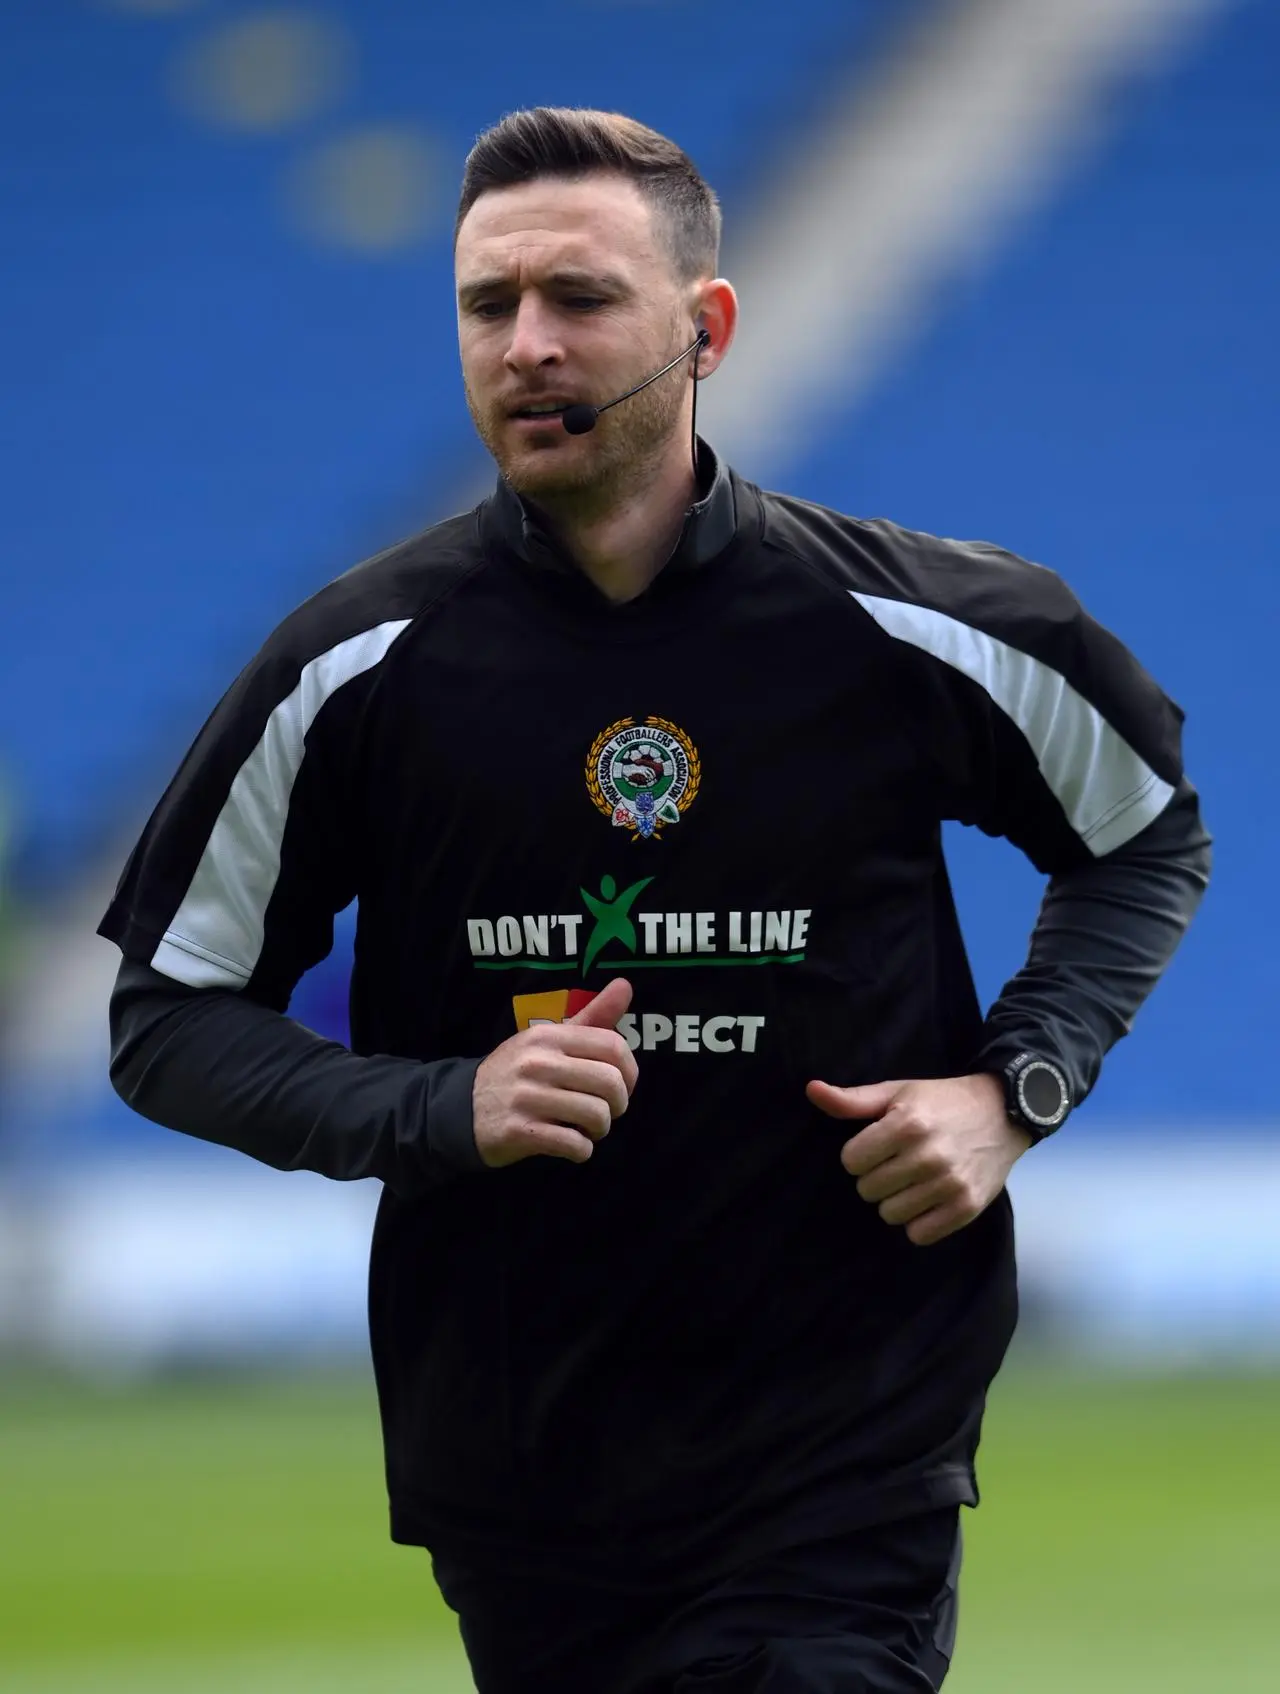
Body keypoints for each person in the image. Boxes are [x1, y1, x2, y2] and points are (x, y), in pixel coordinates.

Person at [100, 108, 1211, 1693]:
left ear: (708, 330)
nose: (528, 345)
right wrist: (438, 1105)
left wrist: (1014, 1084)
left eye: (579, 298)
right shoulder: (355, 669)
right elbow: (165, 1021)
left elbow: (1146, 836)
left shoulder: (923, 626)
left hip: (849, 1446)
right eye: (490, 307)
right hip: (522, 1465)